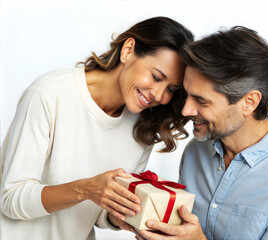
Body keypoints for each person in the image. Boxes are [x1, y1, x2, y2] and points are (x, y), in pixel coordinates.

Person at [0, 16, 193, 239]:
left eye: (171, 89)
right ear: (128, 50)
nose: (159, 95)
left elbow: (97, 210)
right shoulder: (49, 95)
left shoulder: (144, 128)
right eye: (156, 77)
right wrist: (86, 189)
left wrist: (119, 216)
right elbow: (11, 198)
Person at [134, 26, 268, 240]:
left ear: (249, 103)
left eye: (201, 101)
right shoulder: (196, 151)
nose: (186, 110)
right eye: (187, 95)